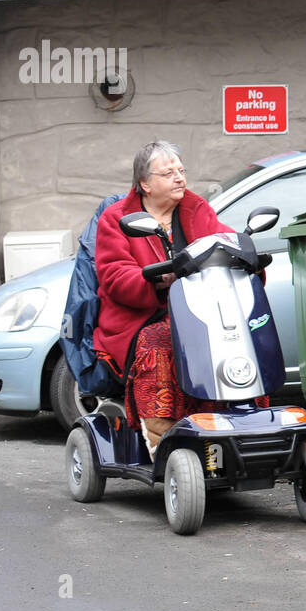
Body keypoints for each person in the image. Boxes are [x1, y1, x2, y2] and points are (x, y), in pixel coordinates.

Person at [93, 140, 235, 455]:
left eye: (181, 171)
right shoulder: (116, 219)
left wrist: (247, 254)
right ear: (145, 183)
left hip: (196, 310)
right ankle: (163, 441)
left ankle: (230, 425)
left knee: (232, 336)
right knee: (162, 341)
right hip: (141, 318)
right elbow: (114, 277)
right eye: (168, 173)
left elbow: (226, 240)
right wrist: (156, 281)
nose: (179, 178)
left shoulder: (196, 210)